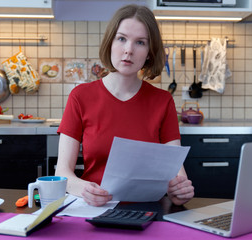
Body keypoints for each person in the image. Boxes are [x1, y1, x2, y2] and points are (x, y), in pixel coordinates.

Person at [55, 4, 194, 207]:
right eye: (122, 39)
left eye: (140, 42)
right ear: (110, 43)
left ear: (149, 53)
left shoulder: (163, 101)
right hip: (93, 209)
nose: (128, 50)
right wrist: (83, 188)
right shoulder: (80, 96)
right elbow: (63, 172)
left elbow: (176, 171)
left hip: (147, 211)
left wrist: (180, 190)